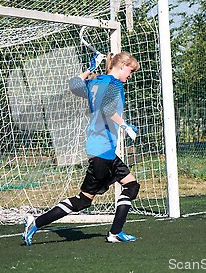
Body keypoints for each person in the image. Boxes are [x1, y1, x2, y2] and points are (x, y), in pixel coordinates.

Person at [22, 51, 141, 245]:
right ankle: (35, 222)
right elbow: (107, 109)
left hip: (102, 150)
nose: (130, 75)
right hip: (102, 150)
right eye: (130, 70)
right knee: (84, 201)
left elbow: (74, 85)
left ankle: (115, 232)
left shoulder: (96, 82)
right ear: (122, 65)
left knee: (131, 186)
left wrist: (88, 70)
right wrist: (125, 125)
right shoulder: (113, 84)